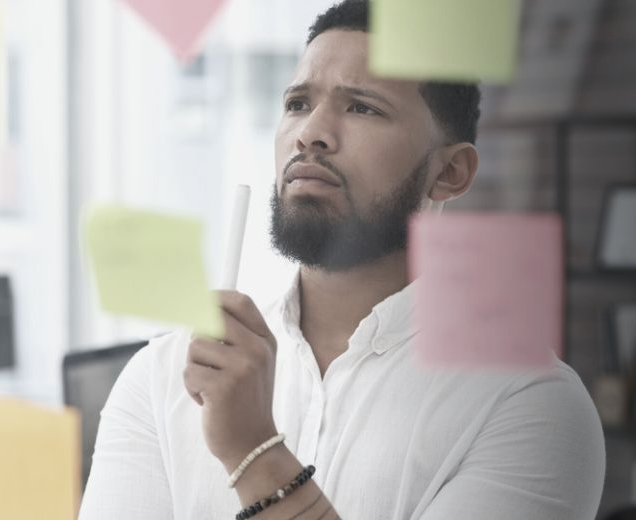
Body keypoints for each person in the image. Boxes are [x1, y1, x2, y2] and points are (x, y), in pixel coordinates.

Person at [79, 1, 605, 518]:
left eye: (363, 107)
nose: (311, 133)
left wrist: (253, 452)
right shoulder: (160, 378)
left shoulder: (532, 405)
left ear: (451, 173)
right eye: (297, 104)